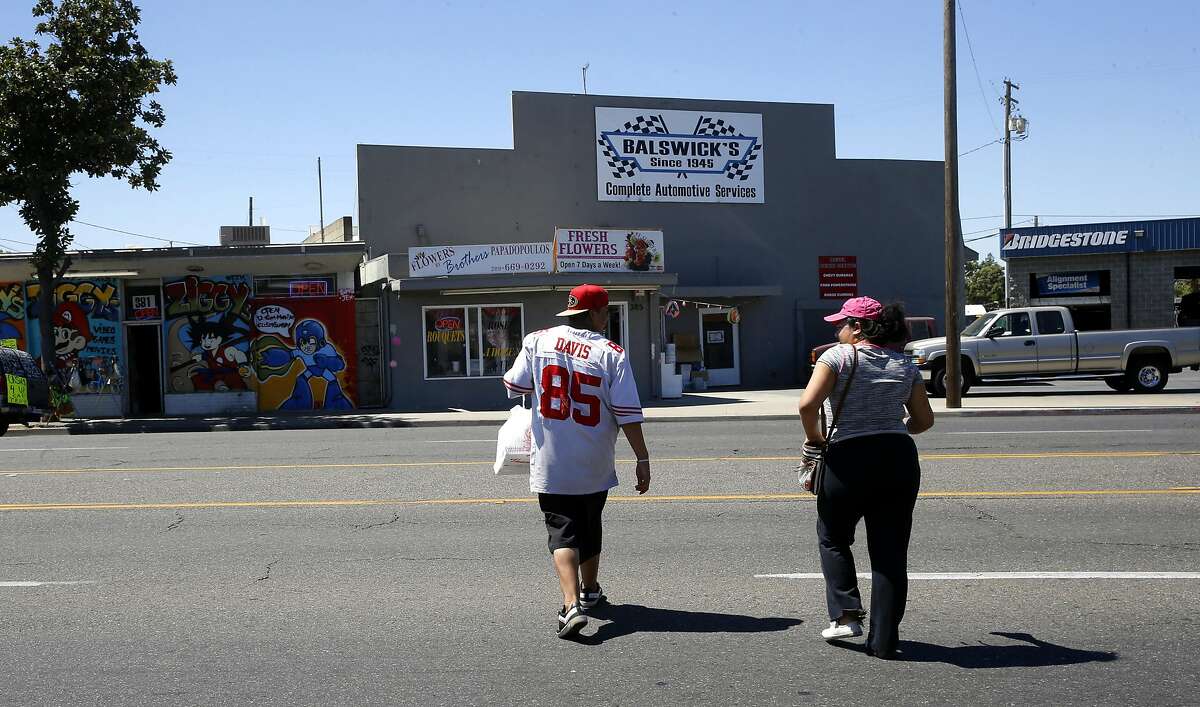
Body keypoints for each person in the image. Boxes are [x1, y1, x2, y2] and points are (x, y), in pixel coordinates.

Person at [502, 284, 651, 638]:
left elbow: (514, 385)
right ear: (597, 313)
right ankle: (589, 589)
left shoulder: (537, 341)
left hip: (552, 459)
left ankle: (571, 605)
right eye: (606, 312)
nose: (607, 318)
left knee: (562, 530)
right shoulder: (611, 352)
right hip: (595, 458)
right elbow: (627, 412)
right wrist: (642, 457)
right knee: (590, 523)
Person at [797, 296, 935, 658]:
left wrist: (815, 439)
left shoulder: (837, 358)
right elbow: (924, 421)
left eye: (841, 323)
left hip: (849, 456)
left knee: (833, 536)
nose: (837, 329)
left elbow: (807, 405)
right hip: (897, 457)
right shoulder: (905, 365)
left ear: (858, 327)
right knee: (890, 552)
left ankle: (845, 614)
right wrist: (893, 427)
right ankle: (885, 639)